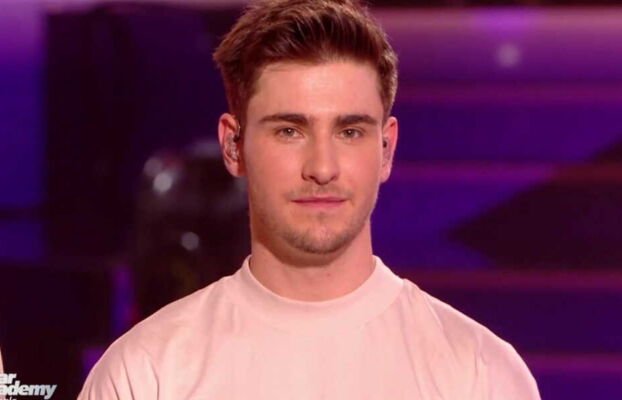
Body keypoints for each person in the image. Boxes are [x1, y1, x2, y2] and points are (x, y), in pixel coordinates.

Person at [78, 0, 541, 399]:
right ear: (233, 147)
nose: (322, 167)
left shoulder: (479, 374)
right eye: (289, 131)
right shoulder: (146, 372)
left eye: (350, 131)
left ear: (386, 149)